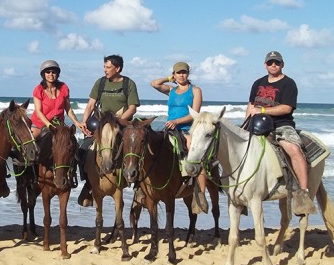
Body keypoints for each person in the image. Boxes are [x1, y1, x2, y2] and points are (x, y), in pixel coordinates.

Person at [245, 51, 316, 215]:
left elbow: (286, 108)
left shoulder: (288, 83)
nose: (273, 65)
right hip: (256, 125)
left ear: (282, 64)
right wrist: (245, 124)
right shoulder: (258, 83)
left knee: (293, 149)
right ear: (265, 65)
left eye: (276, 62)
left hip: (281, 125)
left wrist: (262, 109)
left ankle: (303, 194)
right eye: (270, 63)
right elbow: (250, 105)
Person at [78, 54, 141, 206]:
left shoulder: (128, 84)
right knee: (83, 148)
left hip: (122, 123)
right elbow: (90, 105)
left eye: (108, 67)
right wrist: (84, 122)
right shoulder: (100, 83)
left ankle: (140, 187)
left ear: (117, 68)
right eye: (104, 66)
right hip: (103, 125)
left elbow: (132, 108)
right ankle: (88, 185)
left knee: (137, 149)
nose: (104, 70)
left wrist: (119, 121)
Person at [150, 61, 208, 213]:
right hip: (170, 129)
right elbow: (154, 83)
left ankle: (200, 194)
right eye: (178, 72)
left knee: (195, 155)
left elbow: (195, 113)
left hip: (188, 129)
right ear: (174, 74)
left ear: (188, 74)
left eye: (184, 72)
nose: (181, 75)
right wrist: (170, 78)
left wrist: (177, 121)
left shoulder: (195, 91)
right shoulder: (171, 91)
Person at [31, 60, 84, 138]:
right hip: (40, 124)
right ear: (43, 74)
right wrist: (49, 125)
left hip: (58, 125)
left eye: (53, 72)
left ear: (57, 74)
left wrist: (76, 122)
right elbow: (38, 111)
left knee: (70, 143)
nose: (51, 74)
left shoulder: (64, 87)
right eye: (48, 72)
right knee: (29, 144)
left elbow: (68, 108)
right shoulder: (38, 90)